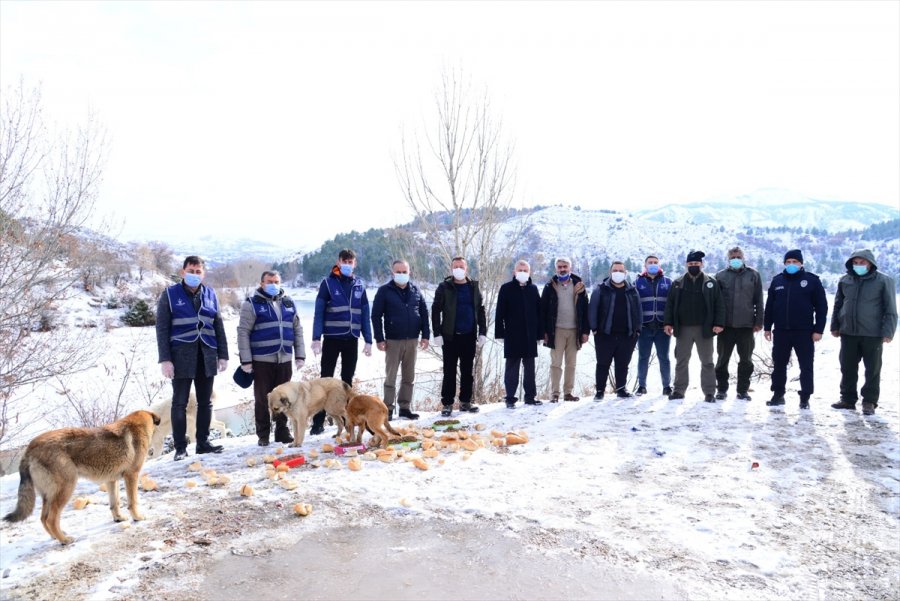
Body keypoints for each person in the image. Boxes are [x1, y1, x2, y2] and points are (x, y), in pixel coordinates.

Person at [155, 256, 228, 461]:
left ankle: (203, 443)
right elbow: (162, 328)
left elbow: (218, 325)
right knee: (179, 403)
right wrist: (165, 360)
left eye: (198, 271)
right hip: (180, 356)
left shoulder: (211, 294)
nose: (194, 275)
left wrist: (223, 355)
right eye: (191, 270)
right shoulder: (169, 295)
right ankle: (180, 448)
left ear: (203, 274)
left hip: (207, 354)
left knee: (205, 402)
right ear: (183, 272)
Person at [237, 270, 306, 446]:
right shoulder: (251, 304)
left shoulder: (289, 303)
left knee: (284, 398)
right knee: (262, 399)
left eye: (276, 281)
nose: (274, 285)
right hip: (261, 361)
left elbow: (297, 330)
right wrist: (246, 360)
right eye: (270, 281)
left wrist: (300, 355)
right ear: (262, 283)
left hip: (284, 360)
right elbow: (243, 332)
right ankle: (263, 435)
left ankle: (282, 432)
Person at [309, 249, 372, 434]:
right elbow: (318, 312)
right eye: (344, 260)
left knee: (347, 382)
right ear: (338, 261)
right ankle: (318, 423)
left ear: (355, 263)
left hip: (351, 339)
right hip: (332, 339)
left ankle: (348, 420)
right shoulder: (328, 284)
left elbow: (365, 314)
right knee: (325, 381)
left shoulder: (360, 285)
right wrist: (316, 338)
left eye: (350, 261)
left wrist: (368, 340)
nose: (347, 264)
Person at [829, 249, 897, 416]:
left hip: (872, 333)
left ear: (870, 263)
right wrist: (835, 326)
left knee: (872, 368)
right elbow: (838, 304)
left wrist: (888, 331)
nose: (858, 266)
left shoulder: (883, 281)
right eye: (855, 263)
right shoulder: (845, 280)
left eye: (862, 263)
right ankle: (847, 399)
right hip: (848, 332)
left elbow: (891, 309)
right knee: (847, 367)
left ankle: (869, 401)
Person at [763, 249, 828, 409]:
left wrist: (818, 329)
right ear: (784, 263)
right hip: (781, 331)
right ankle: (778, 394)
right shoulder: (777, 281)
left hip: (804, 332)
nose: (791, 264)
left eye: (795, 262)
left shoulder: (812, 281)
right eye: (788, 262)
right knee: (779, 364)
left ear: (801, 264)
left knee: (806, 365)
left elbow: (822, 307)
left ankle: (805, 397)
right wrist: (767, 327)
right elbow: (769, 306)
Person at [663, 250, 725, 403]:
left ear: (702, 264)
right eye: (691, 264)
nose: (693, 266)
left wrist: (718, 323)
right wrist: (668, 323)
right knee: (681, 361)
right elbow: (670, 305)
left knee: (707, 362)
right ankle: (678, 390)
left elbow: (719, 304)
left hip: (705, 329)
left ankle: (710, 392)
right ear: (686, 265)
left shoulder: (711, 282)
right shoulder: (677, 283)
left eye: (696, 264)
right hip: (683, 328)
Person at [371, 259, 430, 420]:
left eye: (404, 272)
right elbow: (376, 316)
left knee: (409, 376)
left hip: (412, 340)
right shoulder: (384, 291)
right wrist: (379, 338)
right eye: (398, 272)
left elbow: (424, 314)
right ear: (393, 272)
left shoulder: (416, 290)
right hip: (393, 341)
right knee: (391, 376)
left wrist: (425, 335)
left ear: (409, 272)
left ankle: (405, 407)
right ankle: (387, 409)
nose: (401, 274)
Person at [432, 256, 487, 417]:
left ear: (466, 269)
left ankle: (465, 402)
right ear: (451, 268)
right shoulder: (444, 287)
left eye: (461, 266)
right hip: (449, 337)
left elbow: (481, 310)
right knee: (449, 371)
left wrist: (482, 331)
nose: (458, 269)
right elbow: (435, 311)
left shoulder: (473, 287)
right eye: (455, 266)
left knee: (467, 371)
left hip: (469, 336)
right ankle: (447, 403)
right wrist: (437, 333)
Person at [713, 247, 763, 400]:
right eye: (733, 256)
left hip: (746, 326)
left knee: (746, 361)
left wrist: (759, 321)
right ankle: (721, 389)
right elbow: (715, 302)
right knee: (722, 361)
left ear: (743, 257)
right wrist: (716, 323)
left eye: (738, 256)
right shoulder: (720, 276)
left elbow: (759, 300)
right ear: (728, 259)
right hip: (725, 326)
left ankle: (742, 390)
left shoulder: (753, 275)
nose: (736, 258)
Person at [539, 257, 590, 402]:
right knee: (556, 363)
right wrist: (544, 331)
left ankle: (568, 393)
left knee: (571, 364)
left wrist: (585, 331)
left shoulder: (579, 286)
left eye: (565, 266)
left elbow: (585, 309)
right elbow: (543, 310)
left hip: (575, 330)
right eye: (560, 267)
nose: (562, 269)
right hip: (556, 331)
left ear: (570, 268)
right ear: (556, 269)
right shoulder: (550, 286)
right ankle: (554, 394)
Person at [495, 260, 544, 408]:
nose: (522, 272)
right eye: (520, 269)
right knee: (512, 368)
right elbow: (499, 313)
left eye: (525, 270)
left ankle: (530, 397)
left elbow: (539, 313)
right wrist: (500, 334)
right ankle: (510, 398)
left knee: (529, 369)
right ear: (514, 272)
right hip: (512, 335)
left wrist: (540, 334)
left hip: (530, 336)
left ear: (529, 273)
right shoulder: (506, 289)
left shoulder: (534, 289)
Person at [588, 261, 641, 399]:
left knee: (622, 364)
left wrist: (638, 330)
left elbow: (638, 311)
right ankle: (600, 391)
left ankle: (621, 390)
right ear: (610, 272)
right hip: (605, 335)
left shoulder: (632, 290)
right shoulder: (601, 289)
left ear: (625, 273)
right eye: (615, 270)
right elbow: (592, 310)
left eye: (621, 270)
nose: (618, 273)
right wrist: (594, 329)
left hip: (627, 335)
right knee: (603, 364)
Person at [634, 255, 673, 396]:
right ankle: (642, 386)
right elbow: (633, 305)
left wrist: (670, 323)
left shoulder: (668, 282)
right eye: (650, 262)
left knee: (664, 358)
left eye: (655, 262)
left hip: (663, 327)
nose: (653, 264)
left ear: (659, 265)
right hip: (644, 327)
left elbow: (672, 304)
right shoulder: (637, 282)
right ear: (645, 265)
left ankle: (667, 386)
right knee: (643, 357)